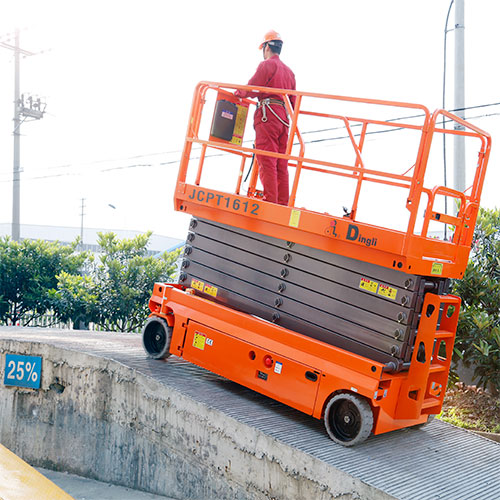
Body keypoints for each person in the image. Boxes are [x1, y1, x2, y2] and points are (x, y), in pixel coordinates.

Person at [235, 30, 296, 206]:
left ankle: (270, 202)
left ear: (266, 47)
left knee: (267, 159)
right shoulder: (290, 73)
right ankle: (281, 204)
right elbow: (294, 103)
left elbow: (253, 87)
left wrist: (238, 93)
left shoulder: (267, 66)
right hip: (284, 119)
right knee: (281, 163)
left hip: (268, 116)